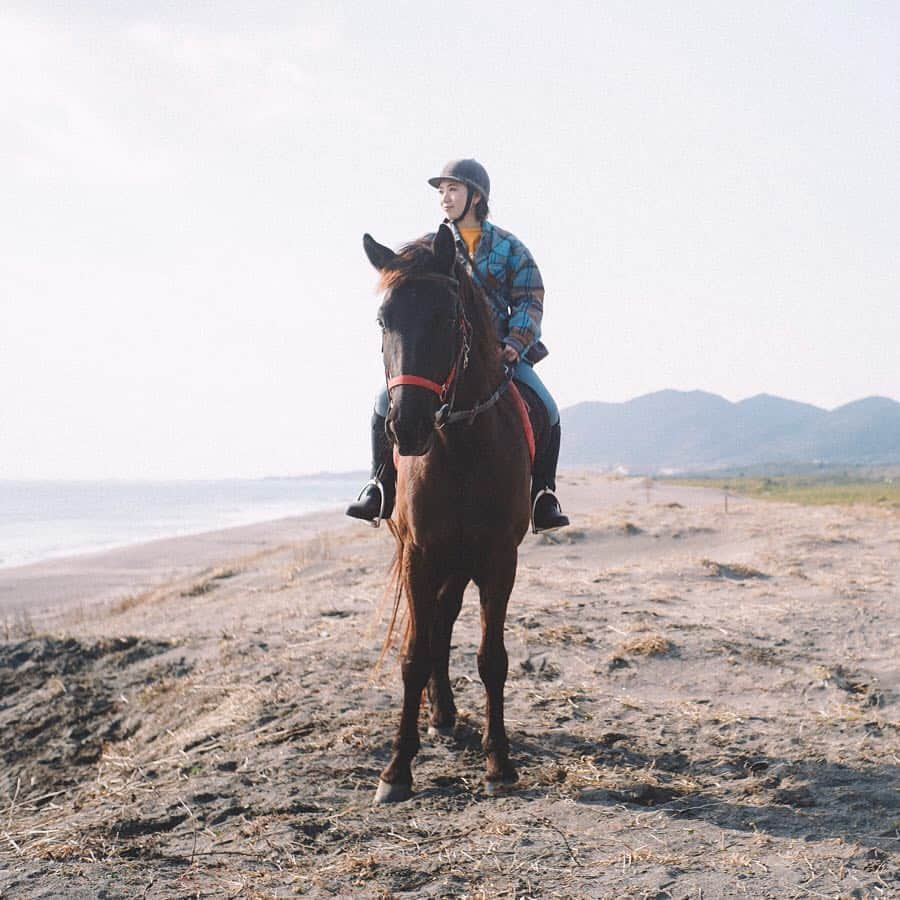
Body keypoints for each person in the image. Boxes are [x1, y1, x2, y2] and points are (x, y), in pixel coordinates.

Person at [347, 158, 569, 532]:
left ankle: (543, 495)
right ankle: (378, 485)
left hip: (500, 355)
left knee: (547, 408)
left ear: (476, 197)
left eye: (453, 190)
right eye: (441, 192)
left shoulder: (511, 248)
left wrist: (515, 342)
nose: (445, 198)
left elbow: (530, 298)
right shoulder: (428, 249)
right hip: (443, 355)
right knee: (384, 402)